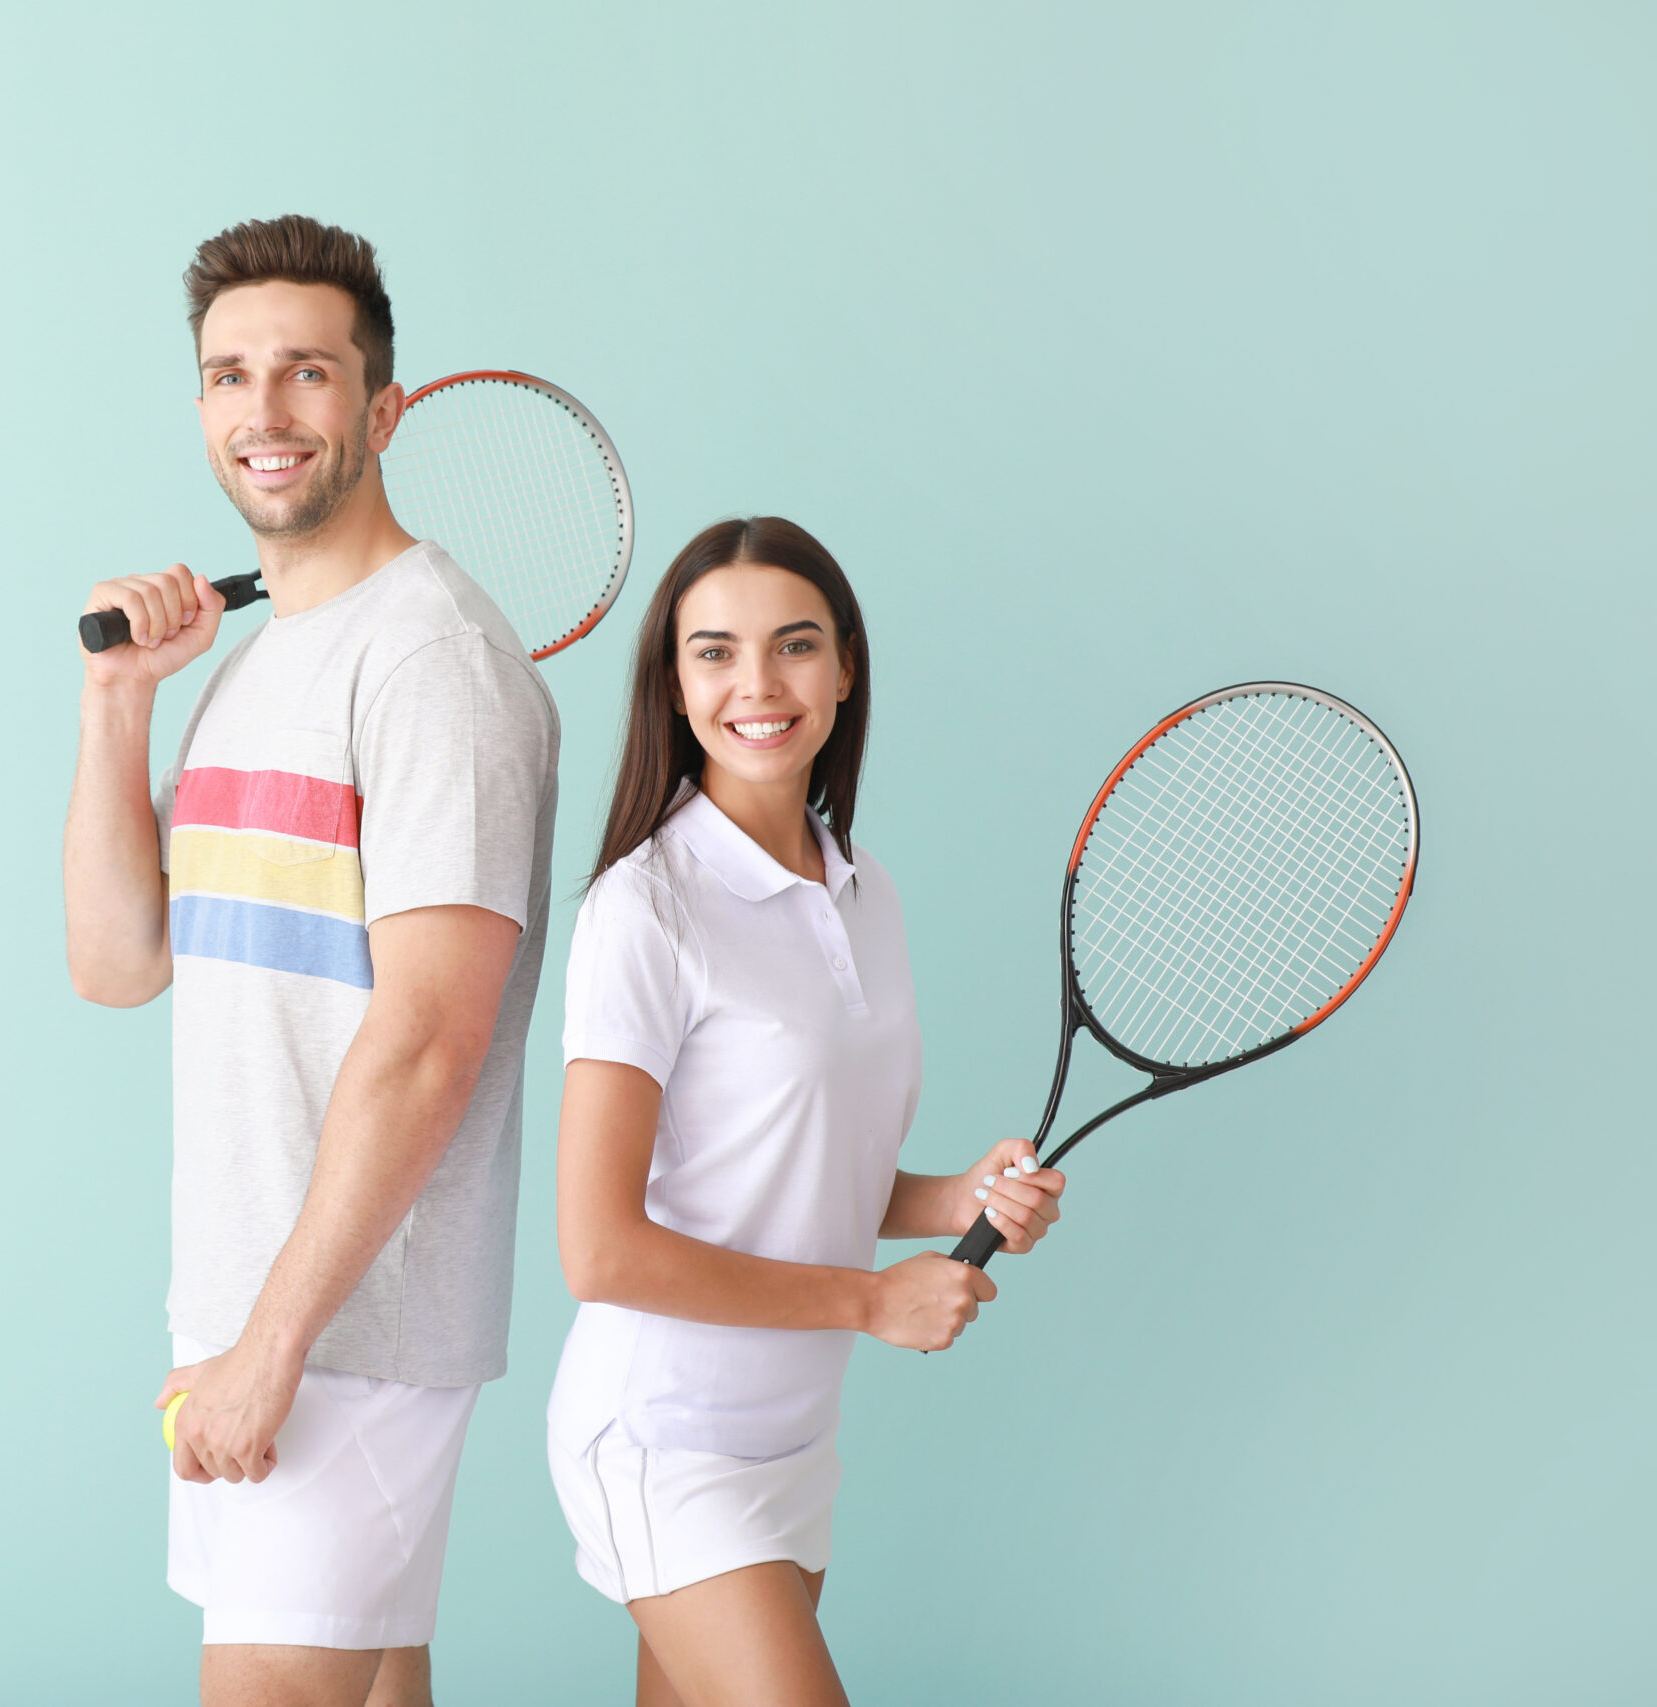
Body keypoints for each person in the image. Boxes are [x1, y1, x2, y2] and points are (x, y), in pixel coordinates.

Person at [61, 215, 560, 1706]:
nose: (263, 413)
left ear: (382, 408)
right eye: (229, 375)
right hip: (247, 1307)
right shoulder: (257, 660)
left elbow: (429, 1040)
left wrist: (277, 1341)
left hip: (350, 1326)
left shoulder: (433, 664)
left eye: (306, 373)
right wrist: (116, 703)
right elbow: (117, 960)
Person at [545, 517, 1066, 1705]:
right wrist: (872, 1300)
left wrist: (959, 1199)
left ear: (843, 670)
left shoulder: (861, 888)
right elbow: (598, 1248)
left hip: (791, 1436)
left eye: (792, 647)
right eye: (715, 653)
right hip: (663, 1431)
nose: (757, 686)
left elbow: (797, 1167)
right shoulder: (645, 910)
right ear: (675, 689)